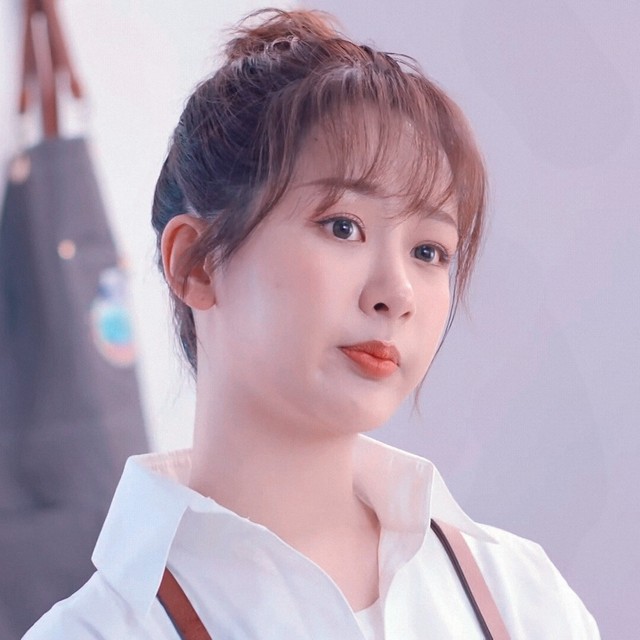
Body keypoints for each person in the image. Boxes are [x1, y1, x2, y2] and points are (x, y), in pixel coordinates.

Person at [25, 8, 599, 639]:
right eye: (343, 227)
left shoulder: (521, 596)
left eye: (428, 251)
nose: (397, 293)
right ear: (196, 263)